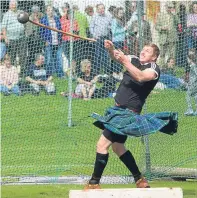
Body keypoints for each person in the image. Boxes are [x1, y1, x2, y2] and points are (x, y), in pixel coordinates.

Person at [84, 40, 178, 190]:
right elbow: (116, 56)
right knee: (118, 147)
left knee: (101, 145)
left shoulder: (153, 68)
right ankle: (140, 179)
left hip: (127, 113)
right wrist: (111, 49)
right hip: (117, 111)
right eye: (143, 49)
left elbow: (140, 76)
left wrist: (124, 61)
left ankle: (94, 183)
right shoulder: (133, 59)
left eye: (147, 51)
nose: (143, 51)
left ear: (154, 57)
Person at [184, 49, 197, 116]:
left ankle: (190, 109)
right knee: (195, 95)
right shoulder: (192, 65)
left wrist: (192, 82)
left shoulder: (193, 65)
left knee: (187, 95)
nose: (187, 60)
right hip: (194, 84)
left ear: (190, 59)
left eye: (187, 59)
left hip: (193, 83)